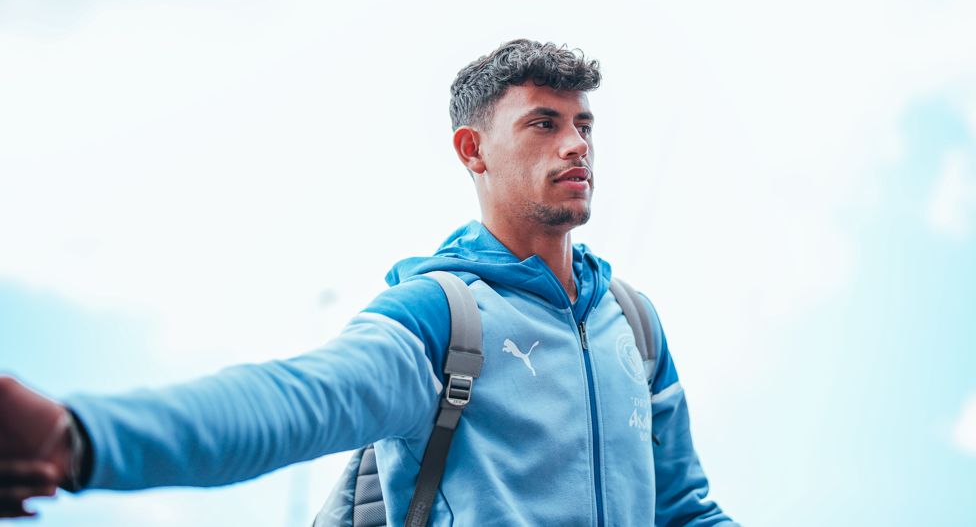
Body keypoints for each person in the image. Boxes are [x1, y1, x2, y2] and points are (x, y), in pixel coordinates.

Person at [0, 39, 739, 526]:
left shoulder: (632, 323)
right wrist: (81, 435)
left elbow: (683, 507)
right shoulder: (443, 315)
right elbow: (296, 400)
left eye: (584, 124)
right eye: (543, 124)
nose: (576, 143)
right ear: (472, 150)